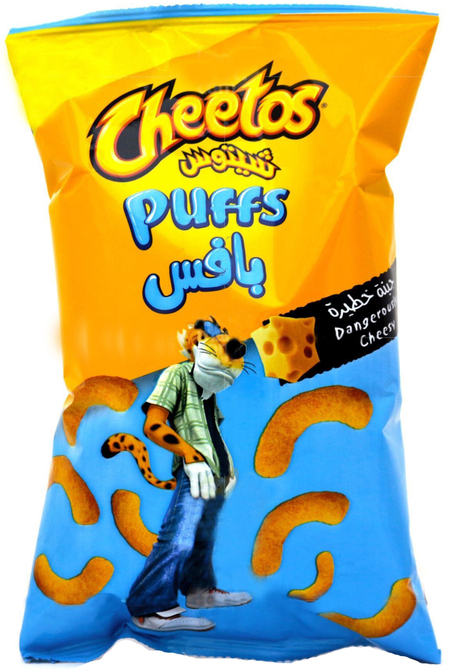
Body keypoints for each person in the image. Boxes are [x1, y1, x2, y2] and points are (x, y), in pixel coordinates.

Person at [127, 318, 252, 632]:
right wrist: (190, 456)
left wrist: (228, 469)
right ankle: (147, 608)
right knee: (178, 539)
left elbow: (211, 433)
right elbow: (153, 425)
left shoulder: (209, 389)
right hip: (195, 472)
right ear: (194, 344)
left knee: (204, 536)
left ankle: (199, 591)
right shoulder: (177, 374)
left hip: (216, 473)